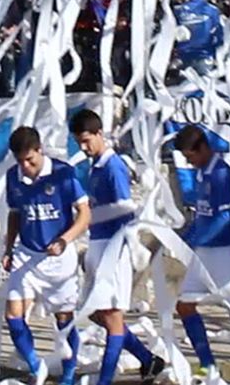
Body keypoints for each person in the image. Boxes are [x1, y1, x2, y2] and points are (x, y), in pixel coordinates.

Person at [70, 111, 164, 385]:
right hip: (97, 244)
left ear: (100, 134)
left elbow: (125, 208)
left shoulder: (114, 167)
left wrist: (91, 217)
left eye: (87, 140)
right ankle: (147, 358)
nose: (83, 147)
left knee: (112, 315)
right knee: (95, 311)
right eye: (79, 142)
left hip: (113, 248)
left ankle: (105, 379)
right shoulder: (94, 167)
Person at [3, 125, 91, 385]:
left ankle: (68, 374)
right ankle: (36, 366)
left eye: (30, 160)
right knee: (13, 315)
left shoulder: (63, 173)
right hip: (26, 254)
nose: (26, 166)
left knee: (63, 318)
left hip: (58, 257)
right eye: (20, 161)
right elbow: (15, 214)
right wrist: (8, 248)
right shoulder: (13, 176)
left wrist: (65, 239)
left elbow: (85, 214)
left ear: (40, 150)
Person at [173, 124, 230, 377]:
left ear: (203, 148)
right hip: (204, 253)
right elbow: (204, 214)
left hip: (226, 252)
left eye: (190, 156)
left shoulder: (222, 173)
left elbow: (227, 218)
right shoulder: (201, 173)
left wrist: (198, 238)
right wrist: (187, 235)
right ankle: (208, 366)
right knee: (185, 305)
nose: (189, 162)